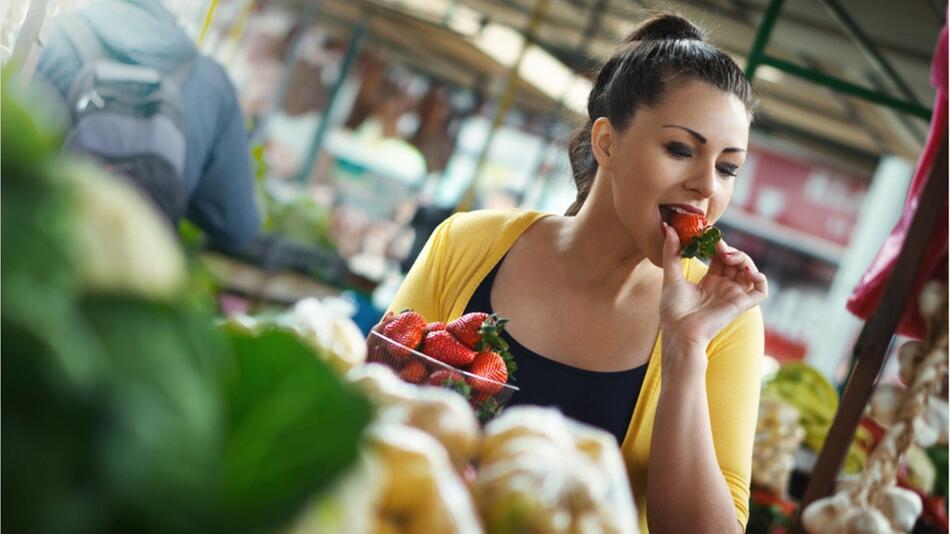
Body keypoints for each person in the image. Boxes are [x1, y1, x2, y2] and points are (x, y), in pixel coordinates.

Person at [374, 13, 768, 533]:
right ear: (607, 143)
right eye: (680, 150)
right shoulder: (467, 243)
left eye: (727, 167)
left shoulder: (724, 321)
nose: (706, 186)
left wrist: (685, 346)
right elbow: (371, 405)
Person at [34, 0, 260, 252]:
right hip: (132, 278)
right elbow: (236, 225)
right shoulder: (211, 82)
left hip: (39, 258)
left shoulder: (50, 40)